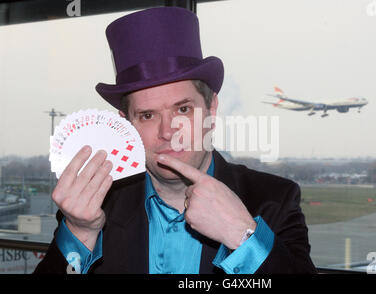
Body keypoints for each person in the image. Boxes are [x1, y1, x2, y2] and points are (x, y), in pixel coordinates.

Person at [34, 7, 317, 274]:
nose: (168, 131)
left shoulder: (273, 200)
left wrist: (242, 236)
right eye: (147, 115)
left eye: (183, 109)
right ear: (125, 125)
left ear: (211, 109)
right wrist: (81, 233)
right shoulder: (95, 206)